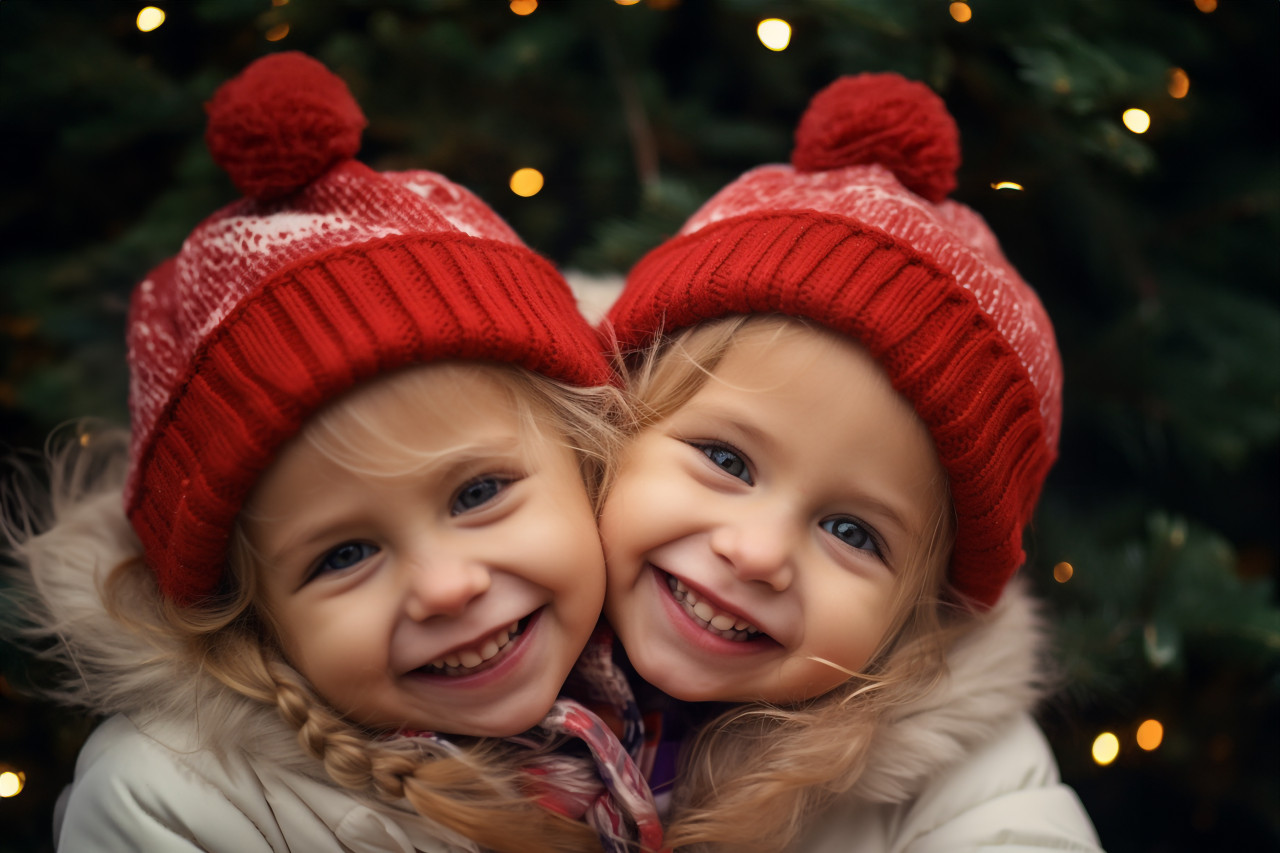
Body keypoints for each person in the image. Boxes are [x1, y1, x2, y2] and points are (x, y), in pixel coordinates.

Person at [3, 52, 661, 853]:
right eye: (344, 553)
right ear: (250, 617)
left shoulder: (718, 684)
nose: (446, 587)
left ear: (589, 460)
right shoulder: (172, 799)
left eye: (478, 492)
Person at [599, 73, 1105, 851]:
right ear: (613, 425)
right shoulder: (455, 620)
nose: (759, 552)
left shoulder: (958, 770)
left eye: (852, 531)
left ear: (919, 612)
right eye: (727, 459)